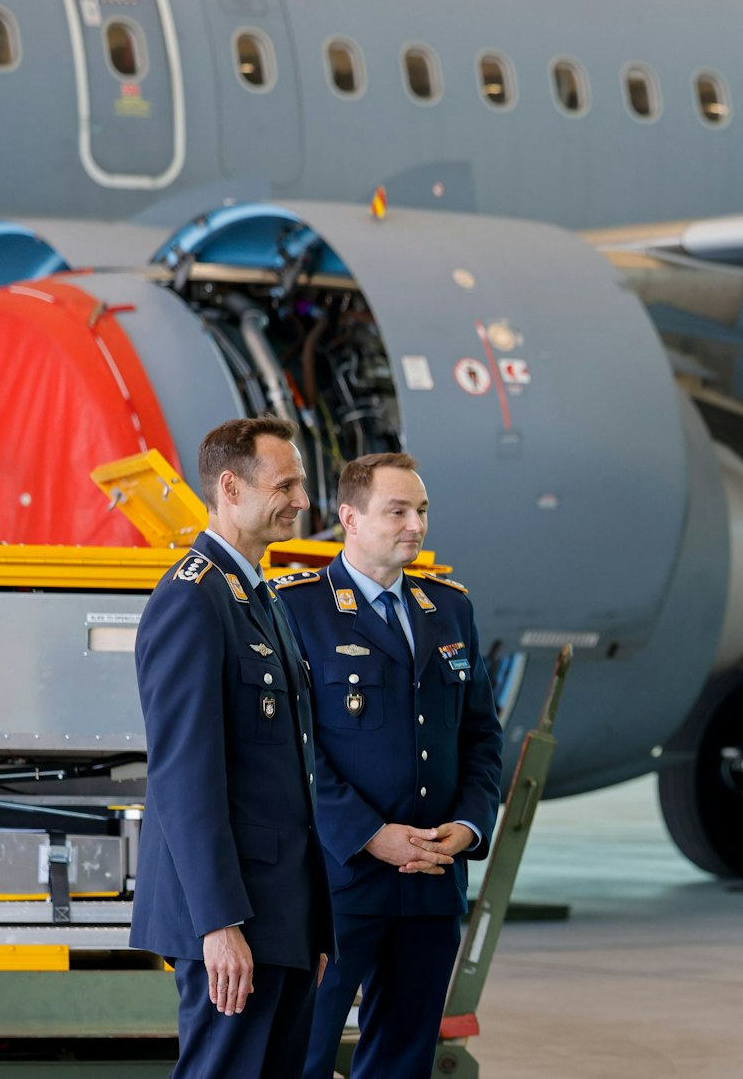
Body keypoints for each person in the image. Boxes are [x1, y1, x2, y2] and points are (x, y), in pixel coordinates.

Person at [274, 453, 506, 1079]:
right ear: (349, 517)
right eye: (397, 511)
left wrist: (468, 825)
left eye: (422, 510)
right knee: (305, 1049)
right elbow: (290, 749)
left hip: (432, 875)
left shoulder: (449, 609)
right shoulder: (296, 610)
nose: (416, 525)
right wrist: (370, 835)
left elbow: (481, 736)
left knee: (405, 1058)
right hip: (339, 880)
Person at [131, 417, 334, 1079]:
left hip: (282, 917)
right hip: (234, 920)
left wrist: (316, 924)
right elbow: (186, 778)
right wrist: (218, 922)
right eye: (286, 484)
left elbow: (291, 771)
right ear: (229, 487)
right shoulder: (192, 600)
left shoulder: (261, 595)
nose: (303, 500)